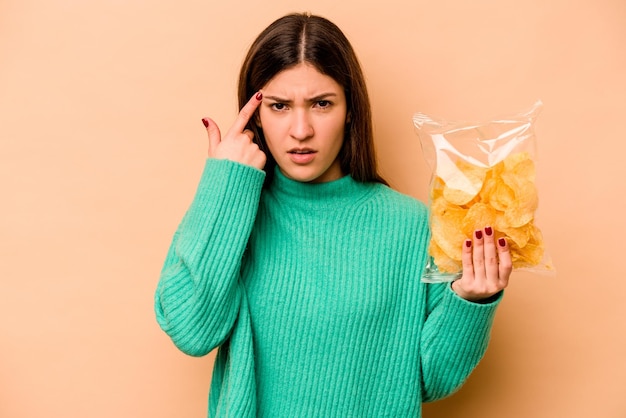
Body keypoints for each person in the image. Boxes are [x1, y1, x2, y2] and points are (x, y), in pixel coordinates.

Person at [154, 12, 512, 417]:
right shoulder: (233, 214)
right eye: (279, 106)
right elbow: (191, 331)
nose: (301, 129)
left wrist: (470, 302)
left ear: (350, 110)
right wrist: (225, 185)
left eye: (321, 104)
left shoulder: (410, 225)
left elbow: (427, 381)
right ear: (255, 115)